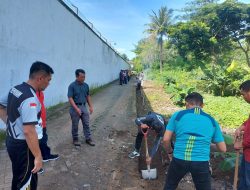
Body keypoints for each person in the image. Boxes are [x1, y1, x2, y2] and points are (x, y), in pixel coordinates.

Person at [0, 61, 54, 190]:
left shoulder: (16, 89)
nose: (49, 83)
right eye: (48, 80)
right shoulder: (30, 98)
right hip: (23, 147)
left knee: (19, 176)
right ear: (40, 78)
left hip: (12, 140)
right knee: (26, 182)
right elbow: (29, 131)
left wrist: (10, 124)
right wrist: (38, 156)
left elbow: (1, 105)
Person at [163, 92, 226, 190]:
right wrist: (207, 145)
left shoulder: (178, 115)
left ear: (187, 104)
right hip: (201, 162)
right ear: (202, 105)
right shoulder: (212, 121)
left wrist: (170, 152)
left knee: (170, 186)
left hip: (179, 159)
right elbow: (222, 149)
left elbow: (166, 139)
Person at [68, 69, 95, 146]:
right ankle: (75, 139)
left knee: (86, 123)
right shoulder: (72, 86)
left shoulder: (86, 85)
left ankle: (88, 138)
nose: (84, 78)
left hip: (83, 106)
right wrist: (76, 109)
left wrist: (90, 106)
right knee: (75, 125)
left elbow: (88, 96)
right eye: (82, 77)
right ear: (77, 76)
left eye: (84, 77)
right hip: (74, 108)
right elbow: (70, 98)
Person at [234, 80, 250, 190]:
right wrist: (241, 127)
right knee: (244, 180)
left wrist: (242, 144)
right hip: (247, 154)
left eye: (243, 94)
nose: (243, 97)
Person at [36, 91, 59, 163]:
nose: (48, 83)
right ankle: (41, 158)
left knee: (43, 139)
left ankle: (45, 155)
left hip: (42, 121)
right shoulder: (32, 92)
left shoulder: (39, 91)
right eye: (47, 80)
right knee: (40, 140)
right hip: (38, 122)